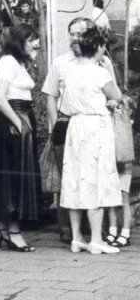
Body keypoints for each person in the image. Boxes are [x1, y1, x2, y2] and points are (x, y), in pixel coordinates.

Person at [61, 27, 123, 254]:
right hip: (96, 127)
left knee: (75, 179)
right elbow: (117, 95)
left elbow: (65, 105)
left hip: (76, 126)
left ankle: (77, 237)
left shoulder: (70, 71)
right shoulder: (99, 72)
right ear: (98, 47)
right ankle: (96, 239)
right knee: (96, 179)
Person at [0, 24, 43, 252]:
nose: (36, 43)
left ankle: (4, 229)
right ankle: (14, 232)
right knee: (16, 177)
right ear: (20, 42)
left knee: (14, 175)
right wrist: (19, 123)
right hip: (15, 120)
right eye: (32, 40)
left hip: (22, 117)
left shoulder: (18, 63)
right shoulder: (8, 61)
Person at [42, 16, 88, 243]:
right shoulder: (60, 63)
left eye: (80, 33)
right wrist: (54, 125)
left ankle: (89, 225)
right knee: (64, 178)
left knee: (88, 174)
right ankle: (65, 228)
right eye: (72, 34)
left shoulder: (99, 62)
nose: (75, 38)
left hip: (89, 126)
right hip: (65, 124)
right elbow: (51, 96)